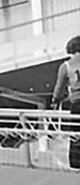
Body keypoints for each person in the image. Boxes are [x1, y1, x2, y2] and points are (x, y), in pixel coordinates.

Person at [51, 35, 80, 169]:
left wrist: (55, 101)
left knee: (76, 135)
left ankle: (76, 164)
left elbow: (59, 88)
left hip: (77, 103)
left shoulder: (66, 66)